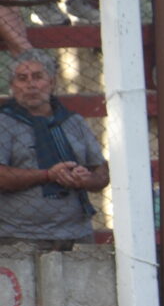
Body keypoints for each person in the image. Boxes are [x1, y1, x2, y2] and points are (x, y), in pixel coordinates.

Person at [0, 49, 109, 249]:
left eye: (37, 77)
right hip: (19, 237)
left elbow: (101, 171)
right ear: (13, 86)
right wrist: (48, 175)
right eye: (22, 79)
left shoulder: (73, 122)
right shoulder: (4, 123)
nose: (30, 85)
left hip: (78, 234)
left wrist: (87, 179)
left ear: (52, 82)